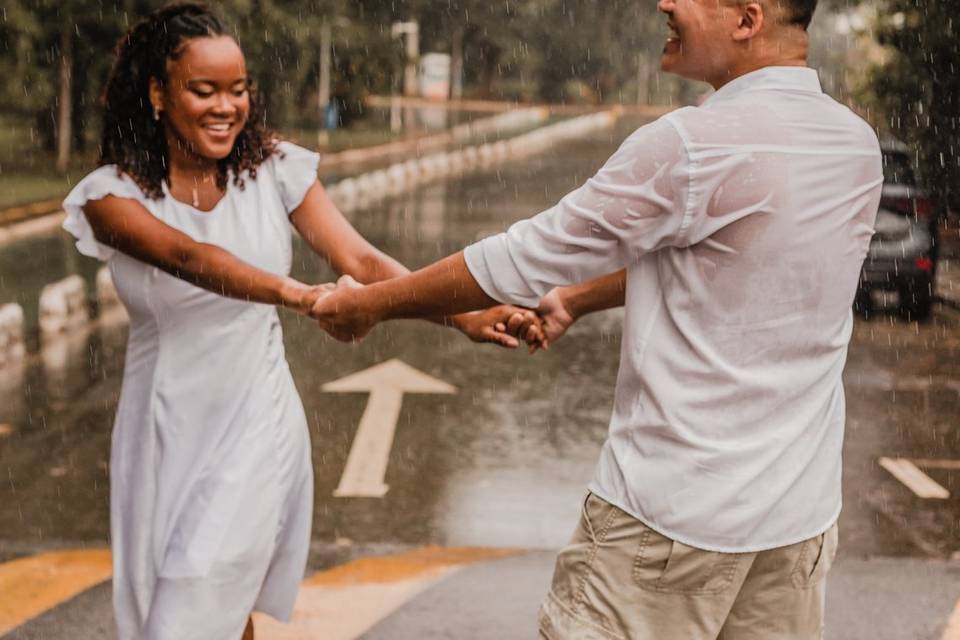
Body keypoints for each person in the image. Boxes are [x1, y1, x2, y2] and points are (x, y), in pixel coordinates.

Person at [310, 0, 883, 637]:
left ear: (746, 20)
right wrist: (575, 300)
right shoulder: (854, 143)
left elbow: (525, 257)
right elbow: (736, 264)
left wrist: (369, 304)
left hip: (668, 525)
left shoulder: (693, 143)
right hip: (795, 526)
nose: (665, 4)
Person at [61, 4, 534, 639]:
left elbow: (360, 259)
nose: (227, 106)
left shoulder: (276, 170)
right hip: (159, 433)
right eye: (204, 90)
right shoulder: (109, 197)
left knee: (189, 611)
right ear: (157, 93)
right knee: (197, 607)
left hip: (254, 423)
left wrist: (463, 315)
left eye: (238, 89)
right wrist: (302, 296)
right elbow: (187, 255)